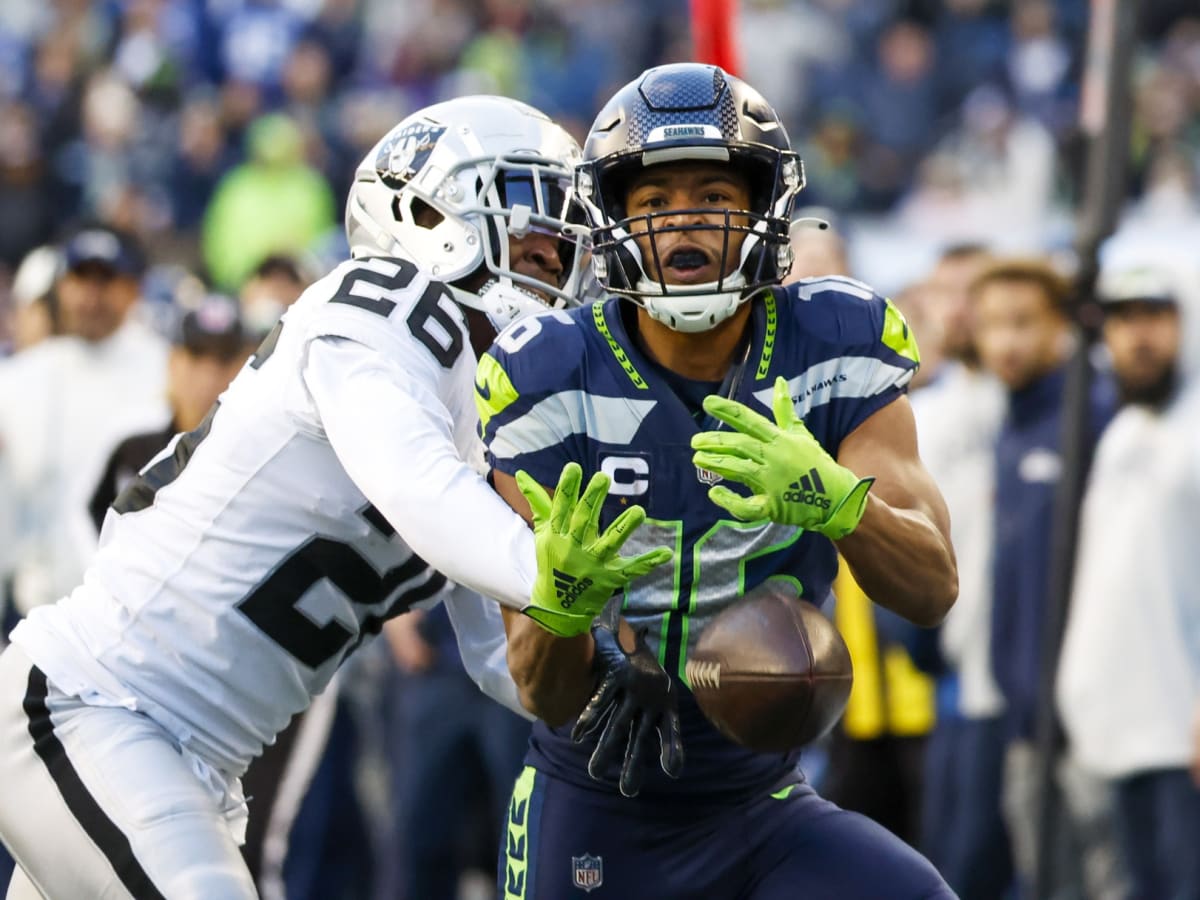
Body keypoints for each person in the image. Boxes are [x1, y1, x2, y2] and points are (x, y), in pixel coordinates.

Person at [0, 95, 669, 900]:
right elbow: (416, 486)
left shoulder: (485, 402)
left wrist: (603, 666)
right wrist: (544, 574)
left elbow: (500, 660)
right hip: (97, 707)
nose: (553, 246)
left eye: (564, 230)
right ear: (426, 211)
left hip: (189, 761)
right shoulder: (379, 308)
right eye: (529, 210)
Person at [475, 63, 958, 898]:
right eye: (654, 203)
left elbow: (932, 587)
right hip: (599, 798)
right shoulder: (550, 371)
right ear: (612, 218)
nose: (681, 225)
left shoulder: (837, 340)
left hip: (760, 799)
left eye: (712, 195)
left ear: (764, 208)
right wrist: (563, 606)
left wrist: (841, 507)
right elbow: (541, 691)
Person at [970, 257, 1125, 900]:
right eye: (991, 325)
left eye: (1023, 323)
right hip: (1027, 723)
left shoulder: (1097, 415)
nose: (1006, 341)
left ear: (1062, 325)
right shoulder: (1012, 422)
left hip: (1098, 725)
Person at [1055, 263, 1200, 900]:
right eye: (1123, 319)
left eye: (1154, 317)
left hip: (1182, 737)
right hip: (1111, 731)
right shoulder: (1119, 434)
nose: (1139, 336)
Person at [910, 243, 1015, 900]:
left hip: (1031, 680)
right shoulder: (920, 415)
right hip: (952, 678)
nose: (960, 308)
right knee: (951, 859)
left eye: (973, 290)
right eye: (946, 292)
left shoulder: (1042, 404)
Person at [0, 226, 169, 618]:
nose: (91, 297)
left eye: (106, 281)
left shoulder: (164, 372)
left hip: (134, 613)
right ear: (62, 287)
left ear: (133, 290)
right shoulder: (21, 378)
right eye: (80, 280)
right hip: (34, 613)